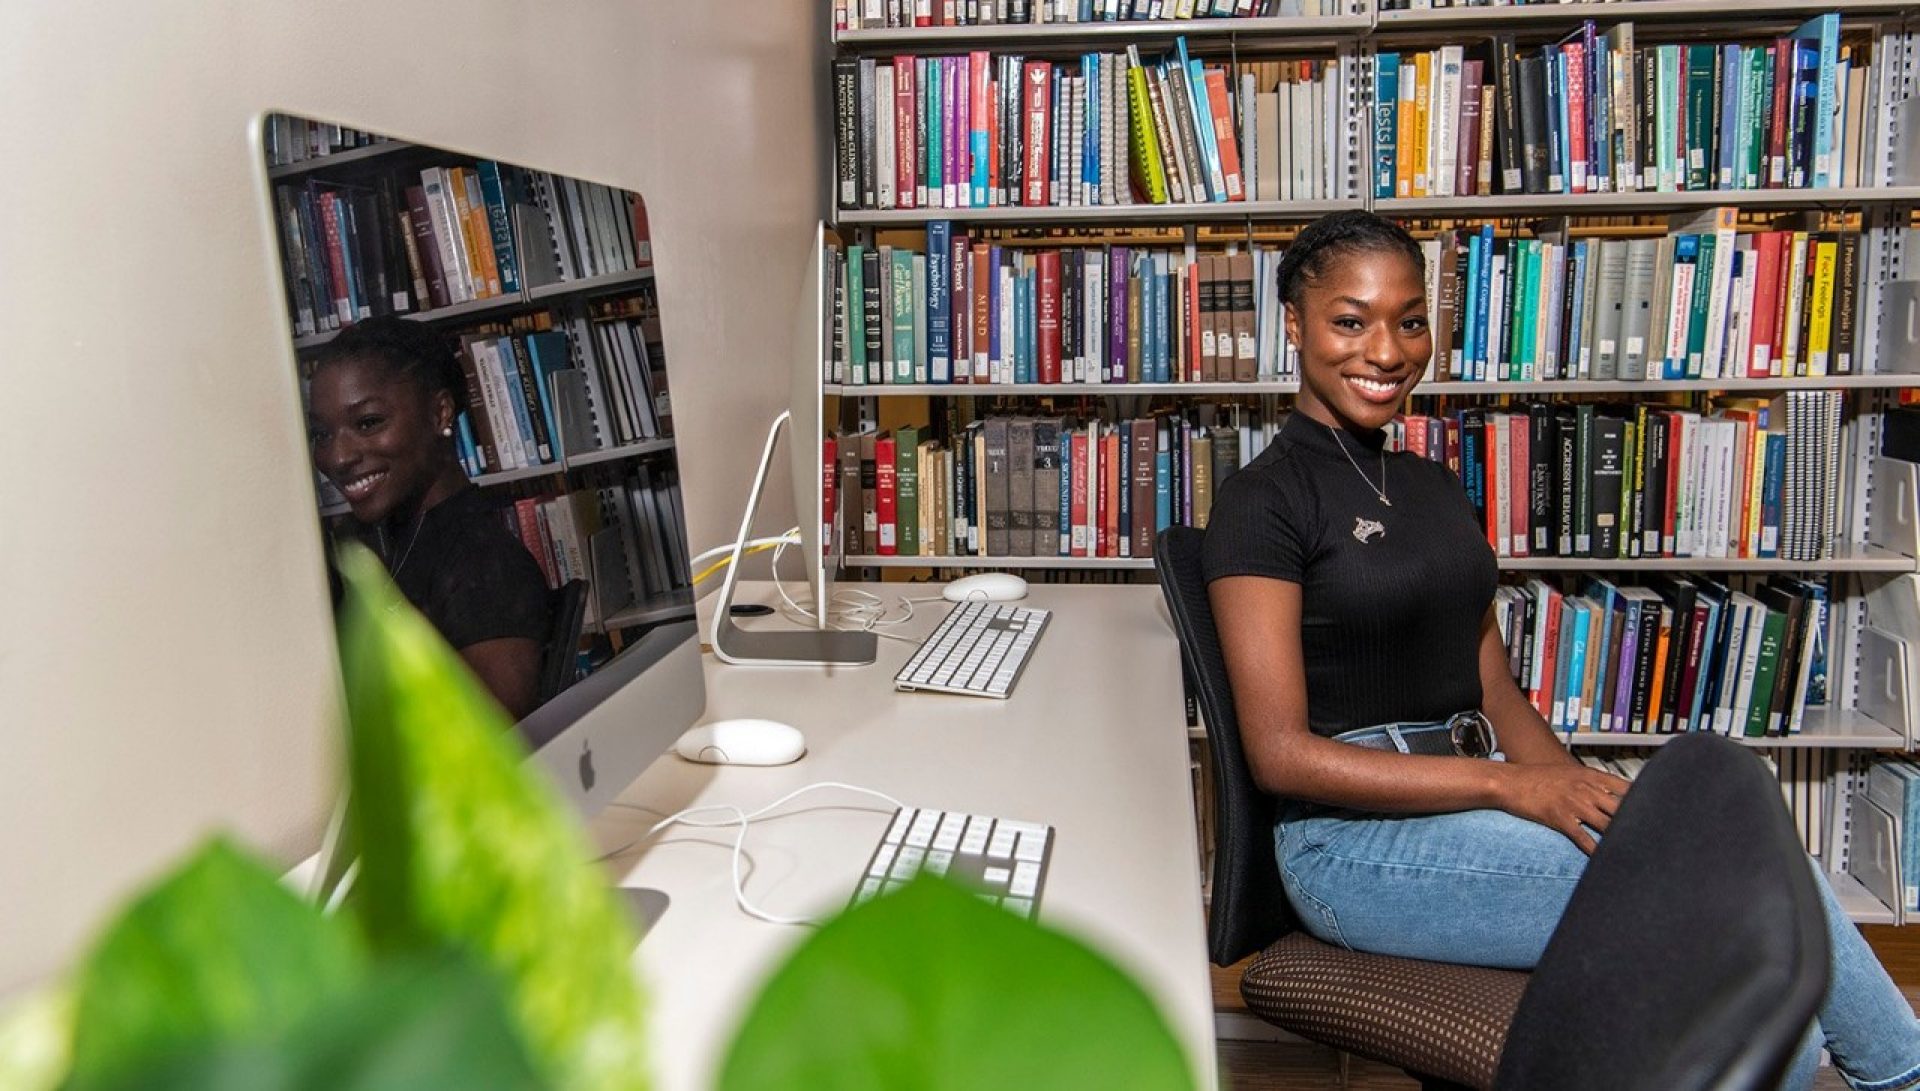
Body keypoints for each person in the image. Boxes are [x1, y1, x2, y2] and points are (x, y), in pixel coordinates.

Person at [1202, 209, 1920, 1090]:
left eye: (1410, 319)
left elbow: (1494, 691)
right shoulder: (1261, 499)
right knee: (1735, 929)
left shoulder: (1431, 484)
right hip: (1349, 851)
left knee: (1760, 866)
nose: (1385, 352)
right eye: (1351, 320)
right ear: (1296, 326)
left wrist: (1588, 798)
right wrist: (1517, 784)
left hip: (1467, 804)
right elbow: (1279, 756)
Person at [308, 317, 552, 720]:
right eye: (322, 434)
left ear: (440, 413)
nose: (338, 457)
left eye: (368, 423)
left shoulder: (484, 563)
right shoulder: (369, 547)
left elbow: (485, 739)